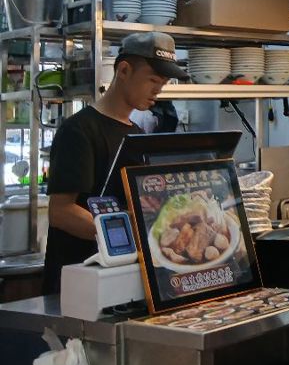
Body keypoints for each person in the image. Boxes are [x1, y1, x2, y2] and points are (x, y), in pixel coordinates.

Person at [43, 33, 187, 293]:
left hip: (122, 279)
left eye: (163, 82)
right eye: (153, 80)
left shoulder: (137, 135)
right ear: (123, 70)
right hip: (78, 283)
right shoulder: (79, 131)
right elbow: (61, 213)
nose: (159, 89)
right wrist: (130, 236)